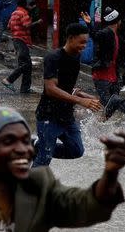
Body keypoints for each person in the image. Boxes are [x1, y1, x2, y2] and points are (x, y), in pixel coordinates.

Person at [33, 23, 103, 167]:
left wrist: (84, 96)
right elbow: (51, 88)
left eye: (86, 42)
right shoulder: (53, 57)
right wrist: (79, 101)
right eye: (81, 42)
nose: (84, 46)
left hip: (66, 116)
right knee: (43, 160)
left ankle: (35, 146)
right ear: (70, 38)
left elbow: (68, 86)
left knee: (76, 150)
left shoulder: (76, 57)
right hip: (49, 115)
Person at [2, 0, 42, 94]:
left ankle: (25, 89)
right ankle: (9, 79)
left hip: (16, 40)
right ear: (25, 4)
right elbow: (27, 25)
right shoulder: (24, 13)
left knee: (26, 65)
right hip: (22, 40)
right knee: (26, 64)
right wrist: (37, 22)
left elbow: (8, 26)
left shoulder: (14, 13)